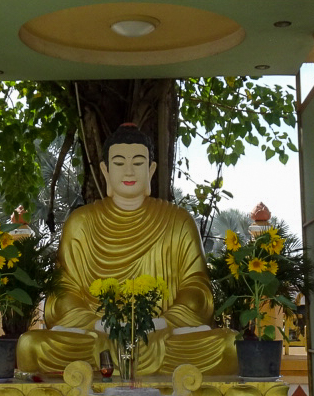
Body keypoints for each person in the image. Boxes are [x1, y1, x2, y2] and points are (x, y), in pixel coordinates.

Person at [17, 123, 238, 377]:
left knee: (229, 346)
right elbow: (62, 295)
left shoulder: (177, 221)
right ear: (105, 170)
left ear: (151, 169)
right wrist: (99, 324)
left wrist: (161, 323)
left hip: (163, 336)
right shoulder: (81, 222)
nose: (129, 170)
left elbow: (198, 292)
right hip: (95, 335)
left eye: (138, 162)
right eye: (119, 163)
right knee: (30, 346)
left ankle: (116, 363)